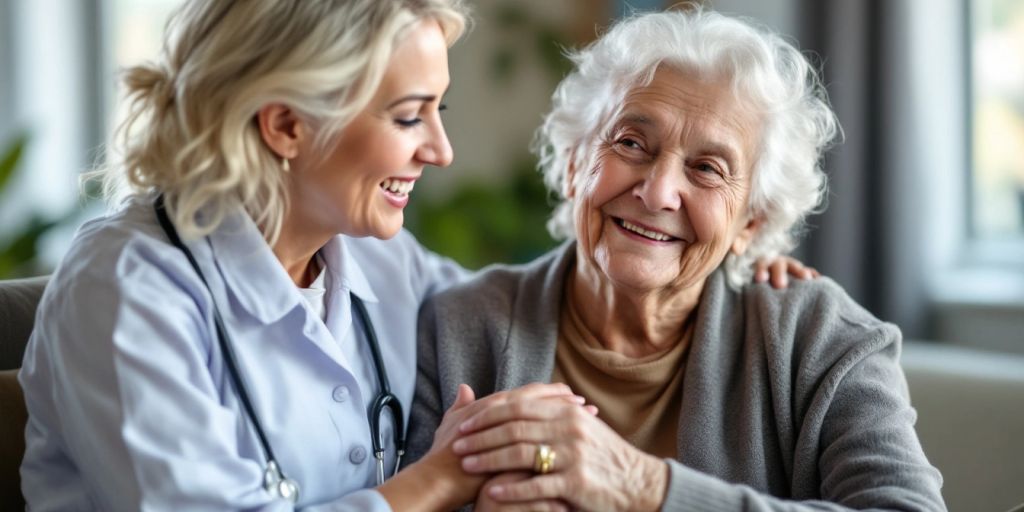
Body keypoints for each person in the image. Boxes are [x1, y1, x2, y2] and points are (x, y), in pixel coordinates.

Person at [18, 1, 815, 510]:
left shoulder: (377, 266)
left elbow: (541, 309)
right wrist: (438, 477)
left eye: (440, 109)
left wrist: (739, 269)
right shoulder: (126, 288)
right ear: (287, 125)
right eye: (409, 116)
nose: (440, 148)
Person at [407, 8, 946, 512]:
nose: (659, 191)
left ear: (751, 223)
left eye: (708, 169)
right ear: (574, 164)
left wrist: (646, 488)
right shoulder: (458, 327)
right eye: (631, 143)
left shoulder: (822, 341)